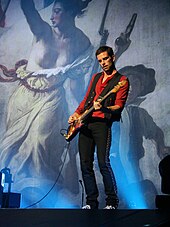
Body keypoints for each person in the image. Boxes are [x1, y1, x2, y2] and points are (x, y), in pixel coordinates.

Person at [0, 0, 93, 206]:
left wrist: (82, 109)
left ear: (70, 12)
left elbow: (75, 81)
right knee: (9, 147)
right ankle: (12, 189)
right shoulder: (42, 30)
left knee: (41, 140)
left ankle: (38, 193)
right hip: (24, 96)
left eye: (57, 11)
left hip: (52, 97)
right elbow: (28, 8)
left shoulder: (81, 42)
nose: (52, 16)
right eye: (52, 11)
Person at [68, 46, 129, 209]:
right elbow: (86, 99)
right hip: (86, 123)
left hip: (103, 124)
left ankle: (111, 201)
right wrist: (76, 114)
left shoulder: (121, 80)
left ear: (113, 58)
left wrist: (102, 108)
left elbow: (119, 106)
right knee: (85, 163)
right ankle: (91, 201)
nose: (103, 63)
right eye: (100, 60)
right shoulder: (96, 77)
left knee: (103, 162)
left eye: (105, 59)